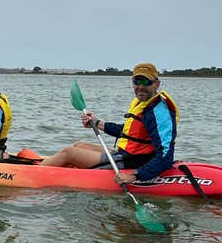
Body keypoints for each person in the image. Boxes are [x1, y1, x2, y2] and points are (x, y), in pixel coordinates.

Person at [39, 62, 177, 184]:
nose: (140, 87)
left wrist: (135, 176)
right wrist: (96, 122)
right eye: (137, 81)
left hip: (136, 162)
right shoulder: (146, 104)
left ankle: (32, 172)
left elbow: (166, 156)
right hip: (129, 155)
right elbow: (130, 132)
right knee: (78, 145)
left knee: (68, 153)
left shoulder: (158, 112)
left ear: (157, 84)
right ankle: (58, 169)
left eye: (146, 82)